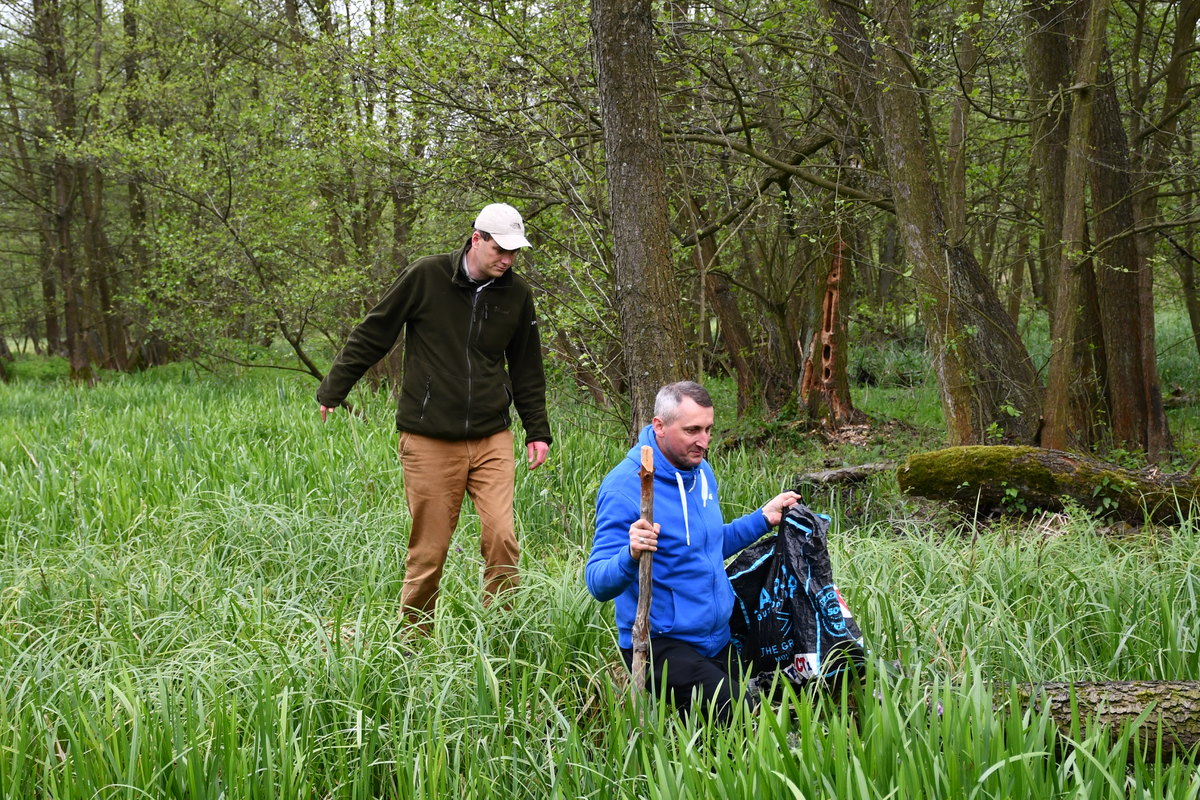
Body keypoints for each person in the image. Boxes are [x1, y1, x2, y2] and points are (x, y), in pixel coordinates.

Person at [317, 202, 552, 629]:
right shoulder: (427, 275)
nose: (508, 260)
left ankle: (501, 634)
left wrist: (538, 431)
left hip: (491, 435)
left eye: (515, 252)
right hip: (429, 438)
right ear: (476, 239)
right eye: (500, 249)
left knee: (502, 538)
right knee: (430, 550)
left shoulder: (516, 295)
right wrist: (335, 387)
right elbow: (375, 331)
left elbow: (526, 366)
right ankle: (414, 642)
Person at [586, 381, 800, 723]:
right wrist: (630, 554)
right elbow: (597, 583)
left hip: (716, 637)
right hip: (662, 644)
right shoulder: (625, 487)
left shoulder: (700, 472)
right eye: (692, 430)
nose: (703, 441)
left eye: (708, 429)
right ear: (659, 426)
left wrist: (763, 518)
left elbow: (709, 545)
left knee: (762, 708)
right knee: (750, 715)